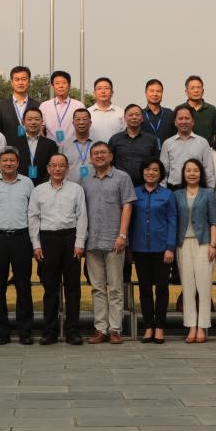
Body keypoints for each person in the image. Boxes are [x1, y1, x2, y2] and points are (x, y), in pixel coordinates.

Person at [29, 153, 88, 345]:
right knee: (50, 288)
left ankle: (72, 331)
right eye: (53, 165)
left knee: (73, 288)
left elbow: (82, 217)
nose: (57, 169)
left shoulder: (76, 189)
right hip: (48, 240)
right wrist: (36, 245)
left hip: (70, 239)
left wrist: (79, 243)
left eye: (61, 165)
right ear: (48, 168)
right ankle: (50, 331)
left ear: (67, 168)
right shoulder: (38, 191)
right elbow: (33, 218)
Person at [82, 142, 136, 343]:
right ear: (90, 158)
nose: (99, 156)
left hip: (114, 241)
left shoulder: (122, 178)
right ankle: (100, 329)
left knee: (115, 287)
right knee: (97, 288)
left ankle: (115, 330)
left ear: (111, 156)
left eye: (103, 153)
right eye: (95, 153)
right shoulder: (86, 182)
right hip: (92, 242)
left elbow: (127, 206)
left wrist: (122, 235)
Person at [0, 148, 36, 345]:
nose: (8, 163)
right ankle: (2, 331)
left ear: (18, 163)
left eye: (12, 160)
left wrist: (33, 240)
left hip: (22, 238)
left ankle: (25, 330)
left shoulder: (27, 183)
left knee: (23, 285)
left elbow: (33, 212)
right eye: (4, 160)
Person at [129, 159, 177, 344]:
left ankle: (160, 327)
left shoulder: (167, 194)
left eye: (155, 170)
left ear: (160, 173)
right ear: (142, 172)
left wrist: (170, 247)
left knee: (162, 289)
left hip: (162, 249)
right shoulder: (134, 193)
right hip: (140, 249)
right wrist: (130, 248)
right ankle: (148, 326)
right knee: (145, 289)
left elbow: (172, 221)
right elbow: (130, 221)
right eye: (147, 169)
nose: (151, 173)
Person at [173, 159, 216, 344]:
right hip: (182, 244)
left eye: (195, 170)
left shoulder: (208, 193)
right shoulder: (176, 195)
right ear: (183, 174)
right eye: (188, 170)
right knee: (188, 287)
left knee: (204, 287)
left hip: (204, 244)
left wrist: (213, 245)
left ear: (201, 173)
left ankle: (203, 326)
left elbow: (214, 221)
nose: (192, 174)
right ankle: (191, 325)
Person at [162, 106, 211, 191]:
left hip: (198, 189)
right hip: (174, 189)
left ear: (193, 122)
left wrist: (210, 189)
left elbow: (208, 169)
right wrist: (163, 191)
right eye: (180, 118)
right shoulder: (167, 143)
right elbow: (163, 171)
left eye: (187, 118)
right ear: (175, 122)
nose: (184, 121)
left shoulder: (203, 142)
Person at [107, 104, 157, 186]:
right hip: (120, 185)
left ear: (142, 118)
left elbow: (156, 163)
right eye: (130, 115)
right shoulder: (115, 139)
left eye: (137, 115)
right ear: (124, 118)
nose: (134, 117)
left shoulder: (151, 140)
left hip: (145, 185)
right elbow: (109, 163)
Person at [0, 65, 39, 142]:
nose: (20, 83)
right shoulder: (1, 106)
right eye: (17, 79)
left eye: (24, 79)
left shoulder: (38, 105)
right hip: (9, 147)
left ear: (29, 82)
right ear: (11, 82)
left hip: (33, 147)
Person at [13, 106, 58, 185]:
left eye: (37, 119)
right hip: (19, 184)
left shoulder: (51, 144)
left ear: (42, 121)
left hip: (44, 185)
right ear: (23, 122)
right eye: (29, 119)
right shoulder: (14, 143)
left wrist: (44, 185)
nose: (33, 122)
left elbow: (53, 167)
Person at [43, 70, 86, 145]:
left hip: (73, 146)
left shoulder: (79, 105)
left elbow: (84, 128)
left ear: (69, 85)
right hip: (50, 148)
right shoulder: (44, 106)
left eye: (64, 83)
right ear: (52, 86)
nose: (61, 86)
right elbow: (40, 129)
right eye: (57, 83)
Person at [177, 75, 216, 140]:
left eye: (198, 87)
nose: (196, 90)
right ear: (186, 92)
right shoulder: (179, 110)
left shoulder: (212, 110)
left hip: (207, 146)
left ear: (203, 91)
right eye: (192, 88)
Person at [62, 108, 96, 183]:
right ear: (73, 123)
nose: (81, 122)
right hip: (70, 187)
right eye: (78, 119)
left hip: (94, 186)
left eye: (84, 119)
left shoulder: (97, 144)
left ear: (90, 123)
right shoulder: (64, 145)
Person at [142, 78, 176, 149]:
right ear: (145, 93)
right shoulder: (140, 115)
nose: (155, 94)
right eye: (152, 91)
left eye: (158, 91)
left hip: (168, 153)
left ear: (162, 94)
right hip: (146, 153)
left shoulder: (170, 114)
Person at [88, 77, 124, 142]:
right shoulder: (88, 113)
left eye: (106, 88)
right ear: (94, 93)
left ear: (112, 92)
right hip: (93, 148)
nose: (103, 91)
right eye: (99, 88)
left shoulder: (121, 113)